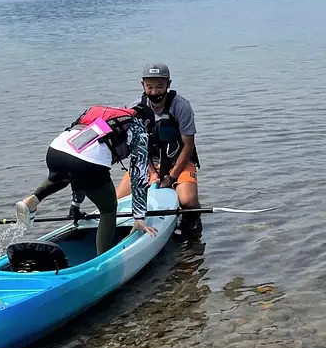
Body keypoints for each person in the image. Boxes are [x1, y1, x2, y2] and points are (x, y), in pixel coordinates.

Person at [14, 104, 157, 256]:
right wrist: (139, 217)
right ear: (147, 123)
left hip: (56, 151)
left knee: (66, 174)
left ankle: (32, 201)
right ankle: (103, 259)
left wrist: (75, 205)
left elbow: (77, 161)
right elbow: (138, 173)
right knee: (108, 209)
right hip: (86, 164)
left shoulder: (102, 117)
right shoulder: (139, 128)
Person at [116, 63, 203, 240]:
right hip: (147, 161)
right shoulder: (135, 108)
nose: (155, 92)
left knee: (188, 201)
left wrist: (171, 178)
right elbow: (136, 147)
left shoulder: (181, 106)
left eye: (160, 87)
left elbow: (188, 145)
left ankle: (191, 226)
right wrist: (152, 173)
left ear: (168, 84)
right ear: (143, 85)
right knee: (117, 201)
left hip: (178, 160)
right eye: (150, 87)